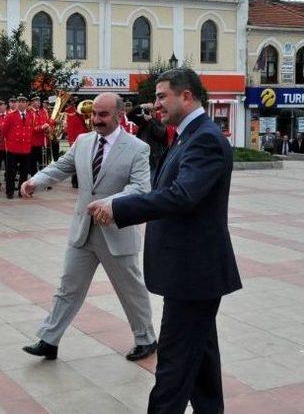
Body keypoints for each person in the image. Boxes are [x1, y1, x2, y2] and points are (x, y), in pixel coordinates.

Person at [90, 68, 242, 414]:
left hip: (193, 274)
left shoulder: (203, 138)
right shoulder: (188, 135)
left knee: (172, 368)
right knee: (201, 364)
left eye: (162, 96)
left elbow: (182, 195)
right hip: (191, 273)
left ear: (186, 96)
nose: (156, 104)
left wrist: (118, 207)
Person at [20, 92, 157, 362]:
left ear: (119, 116)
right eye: (93, 114)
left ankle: (146, 339)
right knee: (68, 288)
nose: (96, 119)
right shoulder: (82, 142)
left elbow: (141, 188)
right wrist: (36, 181)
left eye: (103, 115)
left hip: (117, 232)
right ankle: (49, 340)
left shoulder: (137, 148)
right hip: (83, 232)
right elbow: (60, 167)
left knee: (130, 290)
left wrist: (109, 203)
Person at [1, 95, 33, 199]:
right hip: (13, 148)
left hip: (26, 148)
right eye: (19, 101)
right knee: (11, 172)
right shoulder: (11, 116)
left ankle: (21, 191)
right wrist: (5, 142)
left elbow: (31, 130)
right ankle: (9, 192)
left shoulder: (30, 115)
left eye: (23, 102)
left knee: (24, 172)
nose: (21, 103)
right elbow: (4, 131)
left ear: (27, 104)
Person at [131, 102, 167, 177]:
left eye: (151, 110)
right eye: (148, 110)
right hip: (142, 155)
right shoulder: (142, 121)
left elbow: (160, 133)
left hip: (154, 158)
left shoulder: (160, 120)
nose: (150, 113)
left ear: (155, 111)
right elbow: (130, 115)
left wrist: (151, 120)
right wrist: (141, 106)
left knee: (152, 179)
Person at [28, 95, 51, 175]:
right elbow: (30, 128)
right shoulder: (29, 112)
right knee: (33, 163)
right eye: (36, 100)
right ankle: (34, 180)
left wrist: (49, 128)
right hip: (33, 142)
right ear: (31, 102)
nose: (38, 102)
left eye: (38, 100)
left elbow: (47, 122)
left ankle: (43, 180)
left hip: (43, 141)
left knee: (43, 163)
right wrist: (41, 127)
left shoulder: (43, 112)